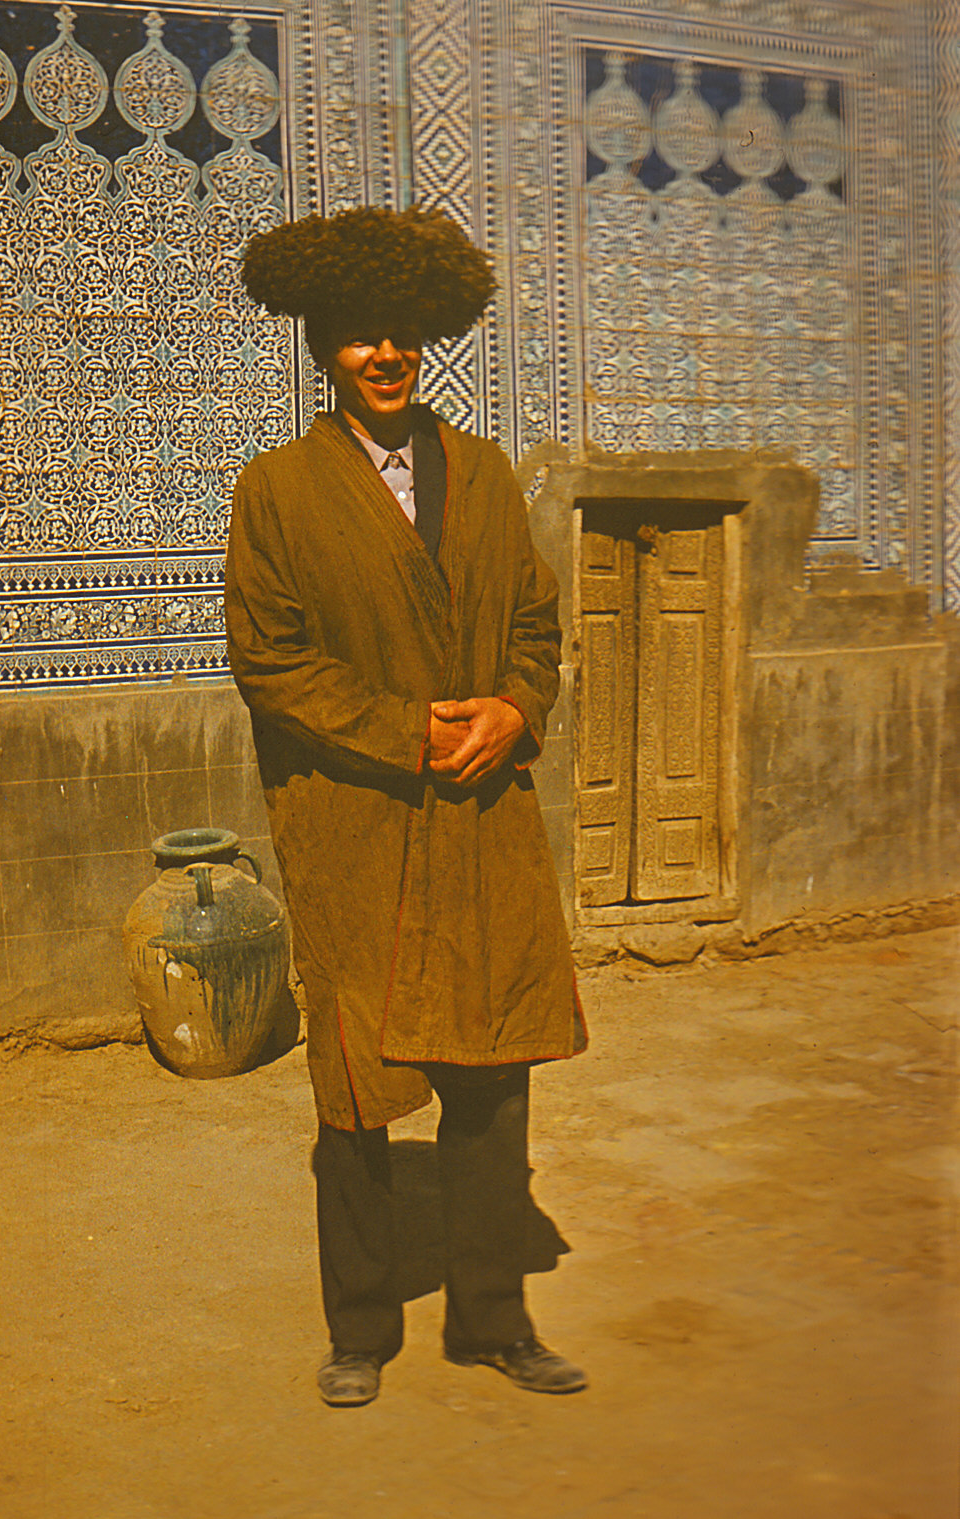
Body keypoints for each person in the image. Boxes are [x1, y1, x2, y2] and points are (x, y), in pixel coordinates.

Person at [225, 205, 587, 1407]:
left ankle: (493, 1319)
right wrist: (410, 733)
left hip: (481, 816)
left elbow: (535, 626)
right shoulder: (275, 491)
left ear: (428, 338)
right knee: (359, 1079)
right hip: (355, 821)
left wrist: (515, 712)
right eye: (358, 337)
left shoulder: (482, 472)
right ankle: (361, 1329)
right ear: (323, 346)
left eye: (402, 335)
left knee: (491, 1074)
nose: (384, 355)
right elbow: (271, 662)